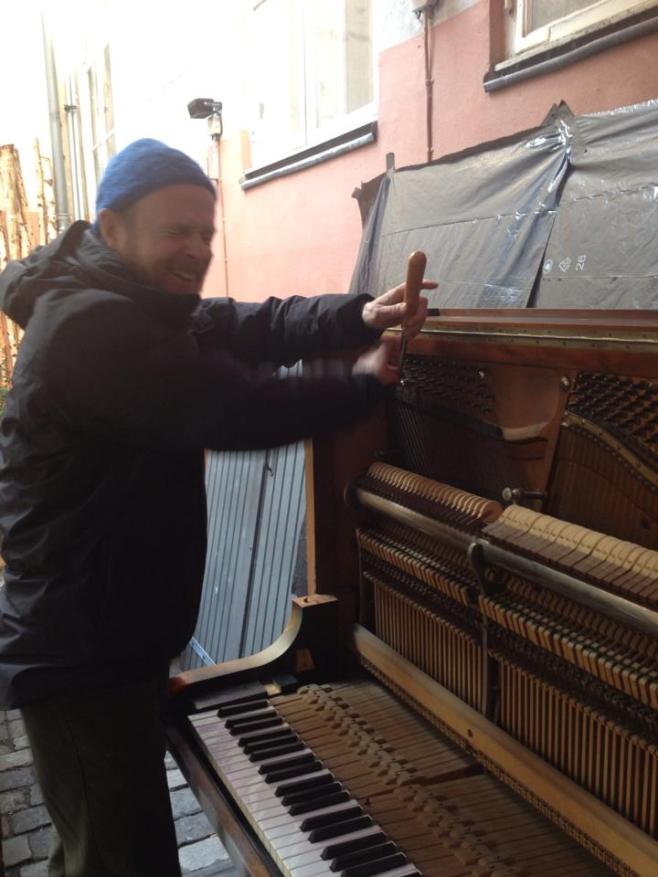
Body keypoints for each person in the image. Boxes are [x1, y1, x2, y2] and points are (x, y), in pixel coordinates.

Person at [0, 139, 432, 876]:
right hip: (80, 652)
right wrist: (361, 381)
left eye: (206, 231)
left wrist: (359, 314)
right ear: (112, 229)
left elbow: (248, 324)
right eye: (178, 230)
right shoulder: (90, 326)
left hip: (110, 636)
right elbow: (234, 407)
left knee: (120, 851)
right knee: (117, 861)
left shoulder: (136, 302)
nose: (198, 249)